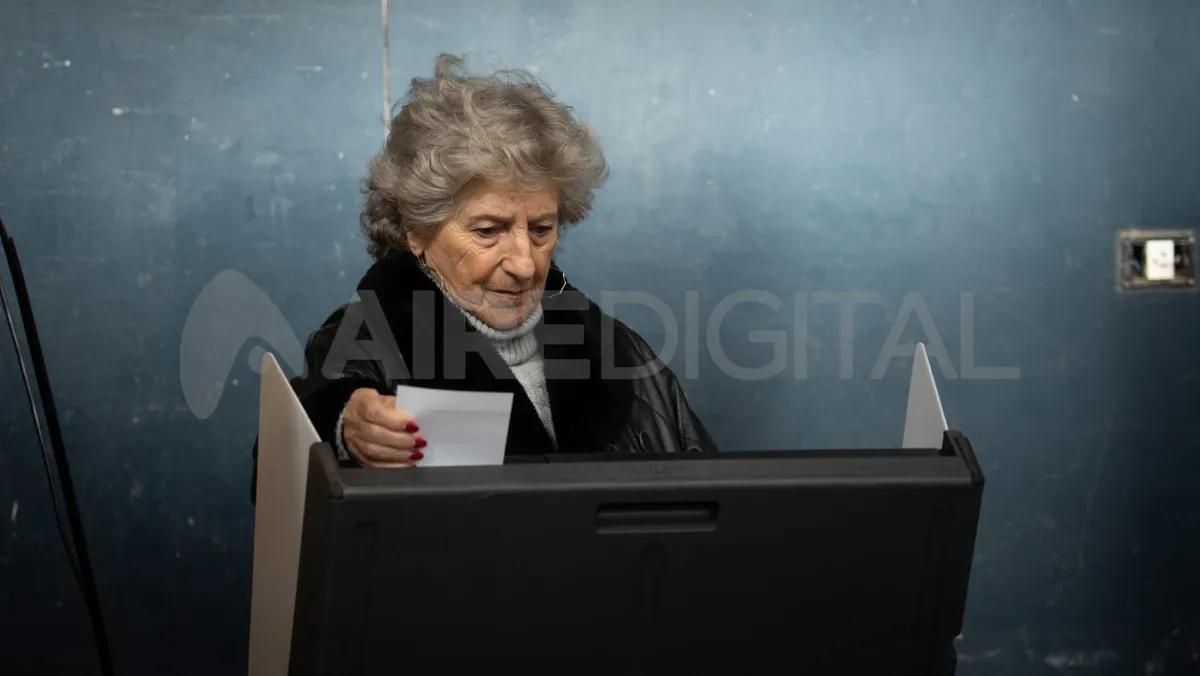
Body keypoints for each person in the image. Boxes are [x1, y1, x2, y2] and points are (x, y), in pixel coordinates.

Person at [251, 54, 715, 497]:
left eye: (541, 229)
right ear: (416, 229)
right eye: (488, 230)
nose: (525, 264)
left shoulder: (621, 350)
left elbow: (712, 509)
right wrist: (347, 428)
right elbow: (290, 452)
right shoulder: (365, 342)